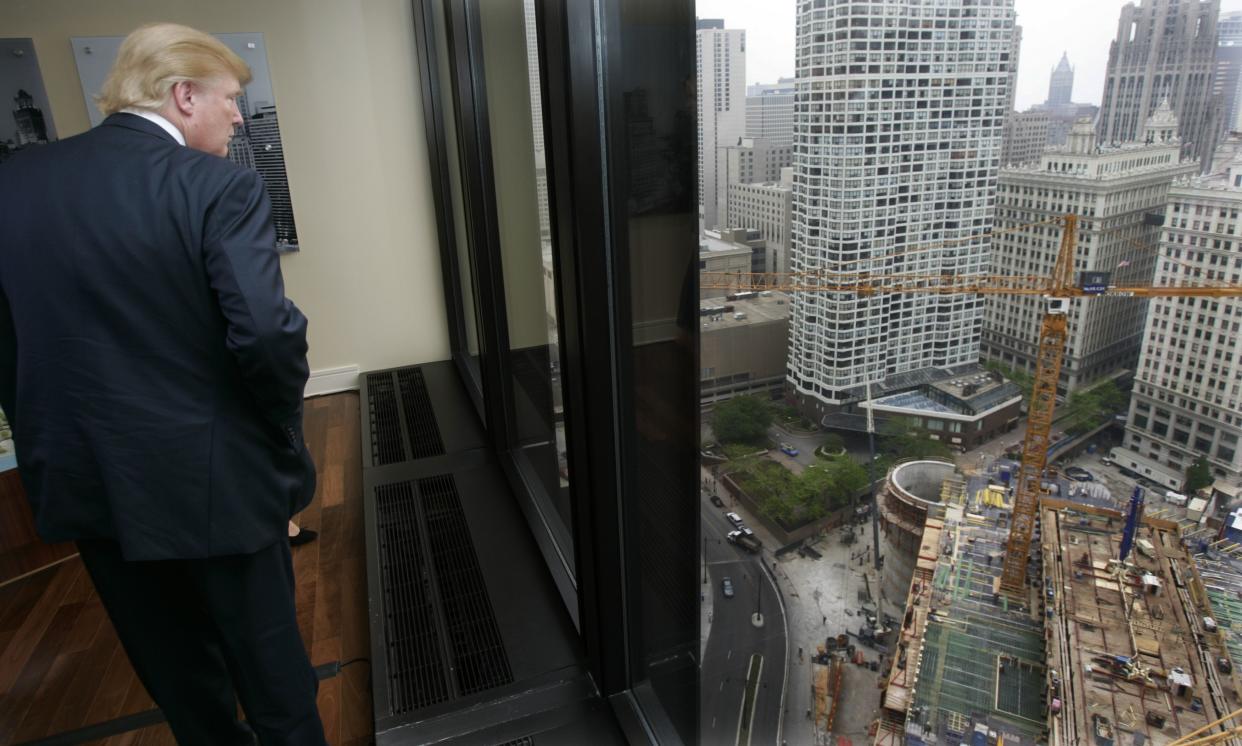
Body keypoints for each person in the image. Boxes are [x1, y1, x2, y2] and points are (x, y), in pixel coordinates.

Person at [0, 22, 326, 745]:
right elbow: (267, 336)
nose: (239, 117)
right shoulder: (219, 187)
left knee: (179, 680)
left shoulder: (13, 183)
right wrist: (277, 437)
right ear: (183, 95)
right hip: (217, 481)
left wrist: (46, 441)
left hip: (87, 482)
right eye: (231, 99)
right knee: (274, 679)